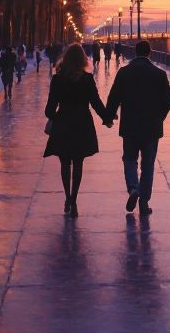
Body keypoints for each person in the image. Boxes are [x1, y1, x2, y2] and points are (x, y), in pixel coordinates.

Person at [44, 43, 113, 216]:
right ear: (82, 59)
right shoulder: (87, 79)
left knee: (65, 163)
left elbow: (49, 110)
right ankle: (74, 200)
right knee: (78, 163)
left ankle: (67, 197)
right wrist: (107, 117)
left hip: (63, 124)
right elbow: (96, 103)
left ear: (65, 59)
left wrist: (55, 115)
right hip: (82, 124)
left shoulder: (57, 79)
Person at [105, 39, 170, 215]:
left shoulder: (124, 73)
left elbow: (114, 97)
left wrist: (109, 116)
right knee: (148, 164)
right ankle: (144, 202)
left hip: (130, 126)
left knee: (129, 159)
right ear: (149, 53)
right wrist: (159, 118)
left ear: (135, 52)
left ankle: (133, 188)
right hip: (151, 128)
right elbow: (167, 101)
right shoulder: (159, 74)